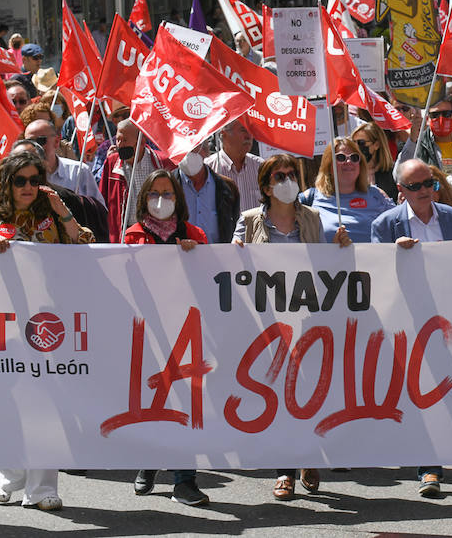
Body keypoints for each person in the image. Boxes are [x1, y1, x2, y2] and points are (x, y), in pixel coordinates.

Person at [0, 151, 93, 512]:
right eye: (19, 180)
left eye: (33, 180)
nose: (27, 187)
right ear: (5, 182)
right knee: (8, 401)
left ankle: (41, 488)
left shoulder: (51, 212)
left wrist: (61, 209)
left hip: (49, 324)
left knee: (48, 403)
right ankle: (9, 473)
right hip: (0, 323)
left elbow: (84, 246)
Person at [233, 156, 348, 502]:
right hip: (267, 324)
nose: (287, 181)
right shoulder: (249, 220)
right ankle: (285, 469)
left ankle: (309, 456)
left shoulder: (312, 218)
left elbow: (326, 268)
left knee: (308, 393)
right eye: (279, 176)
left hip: (307, 320)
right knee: (279, 396)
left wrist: (340, 248)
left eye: (291, 175)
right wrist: (234, 252)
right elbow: (232, 267)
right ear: (266, 187)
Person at [370, 158, 452, 497]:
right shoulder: (385, 224)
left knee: (448, 388)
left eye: (430, 184)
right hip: (408, 319)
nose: (426, 191)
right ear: (401, 190)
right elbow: (376, 274)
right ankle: (429, 467)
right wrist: (393, 255)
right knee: (423, 392)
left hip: (450, 316)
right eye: (416, 186)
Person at [122, 170, 212, 506]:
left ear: (178, 199)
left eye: (168, 193)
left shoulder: (194, 233)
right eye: (155, 193)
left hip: (187, 330)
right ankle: (147, 464)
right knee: (152, 400)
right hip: (146, 331)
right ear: (144, 198)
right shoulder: (132, 237)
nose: (162, 199)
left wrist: (195, 255)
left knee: (185, 404)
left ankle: (184, 481)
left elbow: (209, 278)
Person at [300, 137, 393, 244]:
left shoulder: (377, 194)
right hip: (328, 260)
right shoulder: (310, 197)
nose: (348, 161)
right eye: (340, 157)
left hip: (371, 260)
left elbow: (399, 224)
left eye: (354, 157)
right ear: (328, 164)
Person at [100, 119, 171, 242]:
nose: (120, 144)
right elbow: (102, 199)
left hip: (157, 234)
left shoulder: (162, 163)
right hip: (125, 234)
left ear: (141, 141)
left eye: (125, 140)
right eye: (118, 139)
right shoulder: (112, 163)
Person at [176, 141, 239, 243]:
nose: (186, 153)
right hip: (180, 256)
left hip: (217, 256)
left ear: (205, 151)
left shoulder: (227, 187)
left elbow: (235, 226)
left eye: (192, 147)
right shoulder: (168, 185)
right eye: (181, 148)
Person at [206, 118, 263, 208]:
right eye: (243, 130)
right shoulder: (208, 169)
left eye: (251, 130)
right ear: (224, 134)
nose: (249, 136)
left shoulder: (261, 166)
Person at [352, 121, 399, 201]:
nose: (356, 147)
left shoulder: (393, 172)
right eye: (353, 143)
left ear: (376, 145)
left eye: (361, 143)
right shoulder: (349, 171)